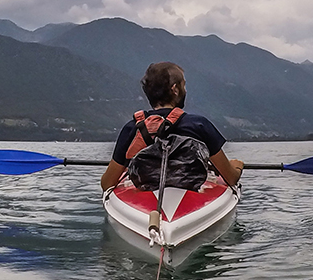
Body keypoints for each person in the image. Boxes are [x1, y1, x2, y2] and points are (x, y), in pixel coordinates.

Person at [101, 62, 243, 191]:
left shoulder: (133, 127)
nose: (185, 90)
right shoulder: (199, 125)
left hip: (146, 194)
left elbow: (107, 183)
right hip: (190, 191)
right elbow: (230, 178)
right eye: (184, 85)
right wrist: (237, 167)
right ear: (175, 89)